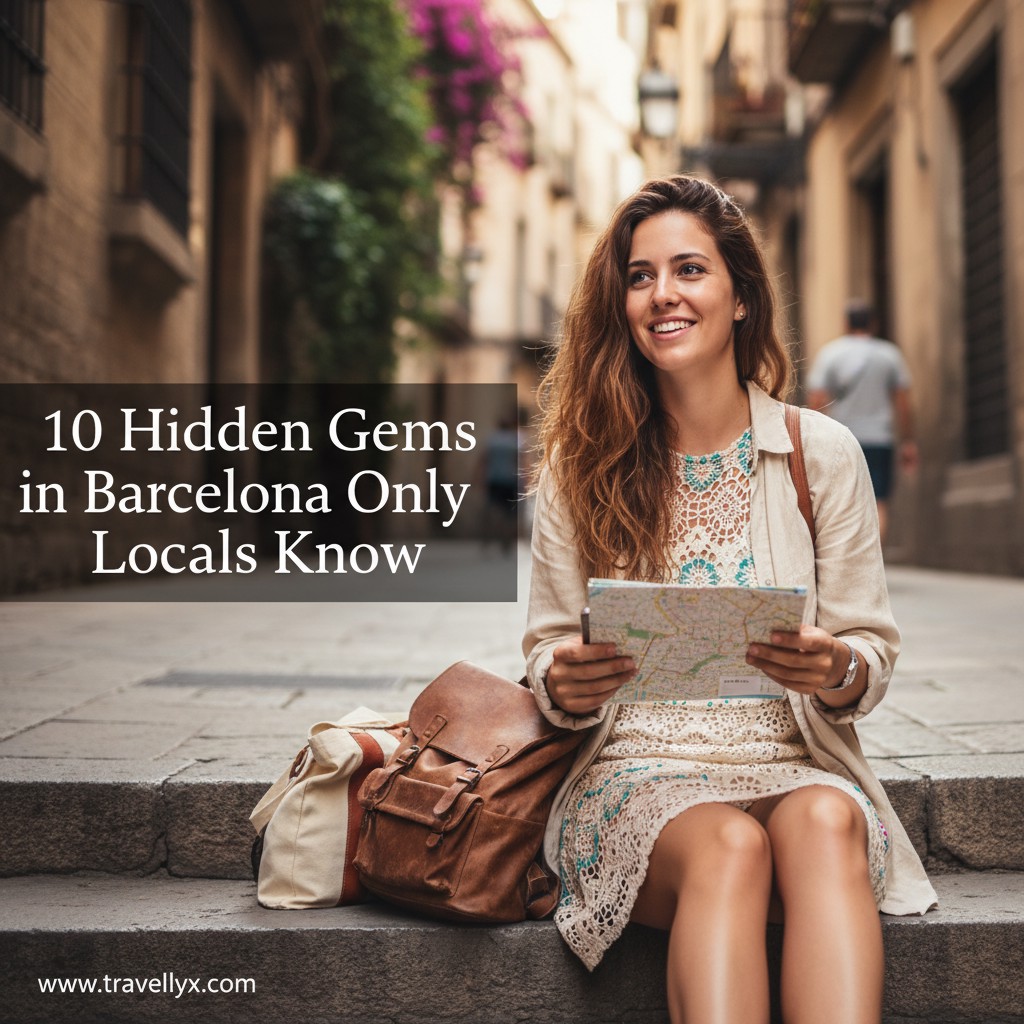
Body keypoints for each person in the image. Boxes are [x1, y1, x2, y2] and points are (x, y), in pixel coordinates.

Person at [523, 175, 936, 1024]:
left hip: (794, 757)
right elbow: (546, 652)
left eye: (688, 270)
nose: (662, 294)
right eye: (639, 276)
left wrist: (836, 663)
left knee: (826, 822)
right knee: (730, 845)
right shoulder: (581, 463)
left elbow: (870, 650)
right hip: (632, 772)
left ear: (741, 297)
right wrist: (562, 682)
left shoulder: (820, 452)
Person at [806, 300, 918, 544]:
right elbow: (903, 401)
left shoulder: (831, 353)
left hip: (842, 440)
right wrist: (908, 440)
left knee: (843, 500)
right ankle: (874, 562)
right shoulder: (889, 354)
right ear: (874, 324)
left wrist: (817, 438)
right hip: (880, 438)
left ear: (845, 324)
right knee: (879, 501)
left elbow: (816, 398)